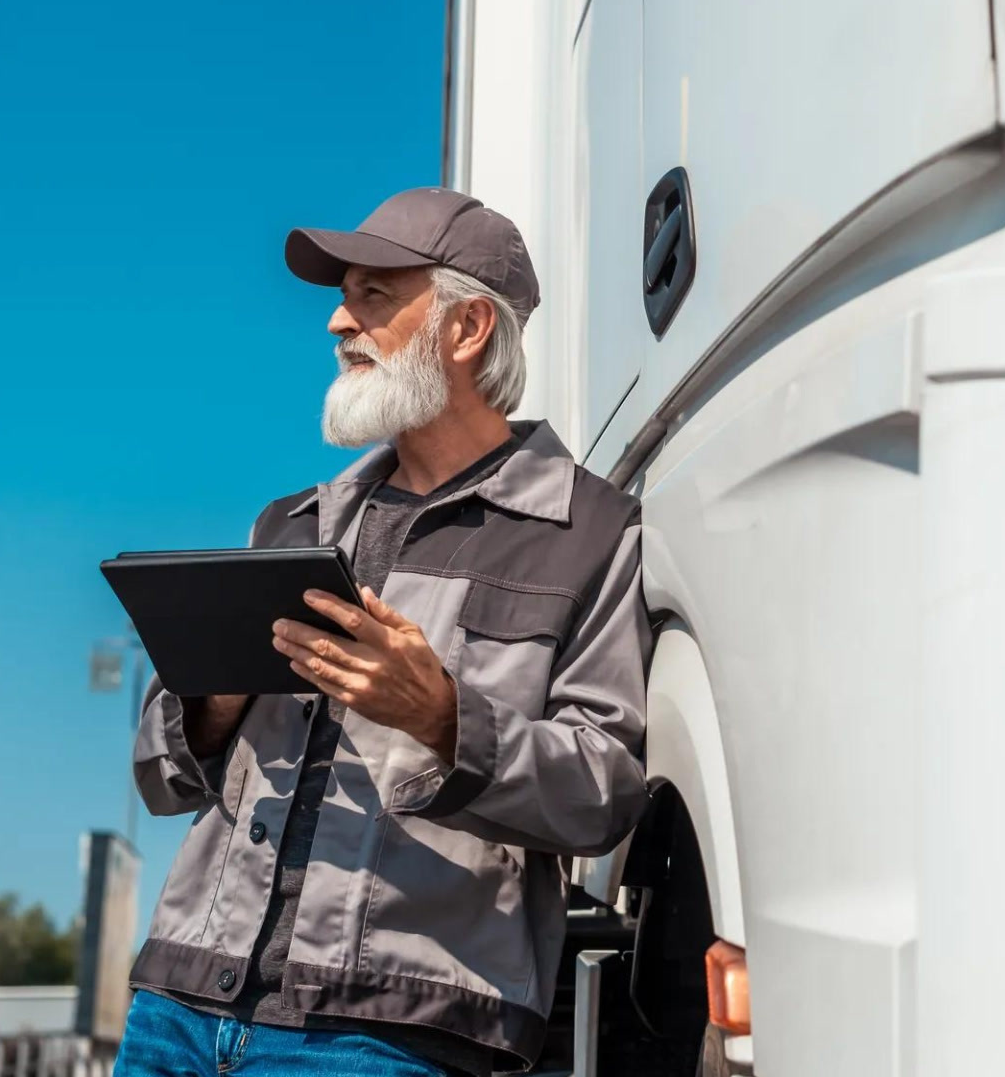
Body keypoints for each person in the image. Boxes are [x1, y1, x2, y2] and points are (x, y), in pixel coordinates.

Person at [112, 188, 651, 1077]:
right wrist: (207, 704)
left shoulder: (590, 534)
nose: (335, 321)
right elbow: (159, 778)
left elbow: (605, 793)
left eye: (371, 295)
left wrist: (443, 716)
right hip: (177, 1009)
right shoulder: (288, 526)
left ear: (468, 327)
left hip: (389, 1035)